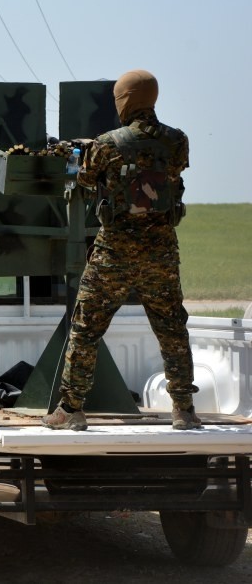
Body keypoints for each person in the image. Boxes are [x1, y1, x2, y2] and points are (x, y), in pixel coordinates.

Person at [43, 69, 200, 431]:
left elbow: (84, 178)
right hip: (161, 254)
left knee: (85, 329)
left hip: (113, 255)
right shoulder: (178, 141)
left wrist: (89, 149)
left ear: (124, 101)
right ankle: (184, 410)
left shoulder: (107, 144)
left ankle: (70, 410)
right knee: (172, 329)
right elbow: (162, 164)